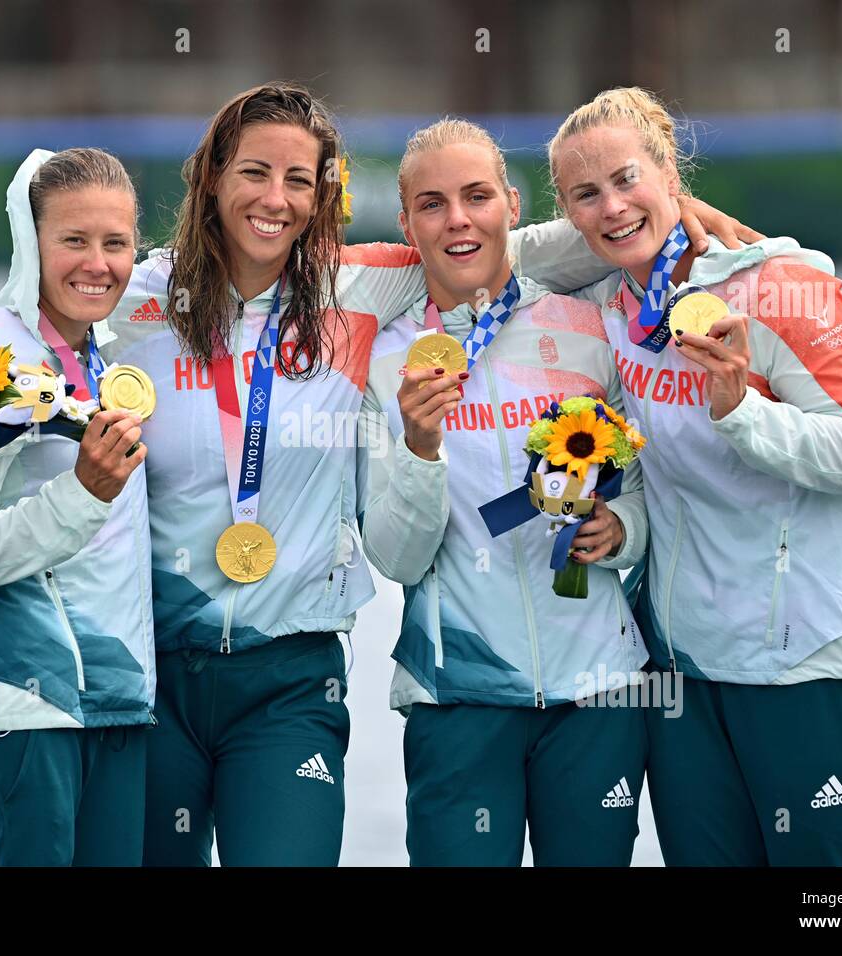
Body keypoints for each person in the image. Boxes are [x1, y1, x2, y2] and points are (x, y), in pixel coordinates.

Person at [101, 81, 758, 866]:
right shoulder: (138, 296)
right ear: (211, 176)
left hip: (303, 672)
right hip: (159, 664)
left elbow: (504, 247)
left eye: (299, 180)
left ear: (323, 197)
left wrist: (670, 209)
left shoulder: (353, 289)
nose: (275, 199)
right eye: (253, 172)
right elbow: (42, 285)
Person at [542, 88, 842, 866]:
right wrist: (624, 526)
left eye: (628, 179)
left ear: (673, 174)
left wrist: (742, 412)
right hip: (683, 677)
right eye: (585, 195)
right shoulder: (608, 304)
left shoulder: (782, 285)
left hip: (805, 665)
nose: (611, 208)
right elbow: (656, 483)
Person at [360, 118, 649, 866]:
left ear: (513, 208)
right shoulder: (381, 362)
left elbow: (649, 489)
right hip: (458, 699)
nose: (458, 219)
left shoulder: (589, 327)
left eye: (476, 195)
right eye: (432, 203)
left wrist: (622, 530)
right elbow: (395, 558)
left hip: (599, 695)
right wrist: (421, 449)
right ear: (406, 224)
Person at [0, 147, 152, 865]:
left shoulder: (103, 358)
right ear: (29, 242)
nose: (97, 264)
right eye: (73, 240)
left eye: (116, 243)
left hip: (115, 710)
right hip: (14, 720)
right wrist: (81, 495)